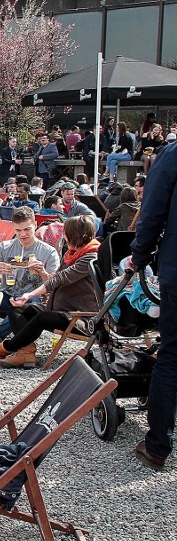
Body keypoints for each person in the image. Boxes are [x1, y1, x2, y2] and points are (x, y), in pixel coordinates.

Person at [0, 216, 100, 369]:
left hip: (79, 316)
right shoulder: (72, 254)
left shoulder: (91, 257)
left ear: (73, 235)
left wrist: (29, 295)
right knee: (18, 308)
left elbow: (59, 279)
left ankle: (0, 350)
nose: (63, 236)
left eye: (66, 233)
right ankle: (25, 352)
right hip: (59, 309)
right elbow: (54, 278)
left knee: (41, 317)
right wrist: (41, 273)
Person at [129, 140, 177, 470]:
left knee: (171, 356)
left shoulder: (173, 155)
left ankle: (157, 445)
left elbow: (152, 211)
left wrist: (140, 255)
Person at [0, 207, 60, 337]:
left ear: (35, 225)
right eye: (18, 230)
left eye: (27, 229)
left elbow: (53, 286)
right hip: (6, 295)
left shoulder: (48, 252)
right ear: (13, 228)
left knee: (32, 301)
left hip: (29, 298)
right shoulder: (4, 247)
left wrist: (42, 272)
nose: (23, 234)